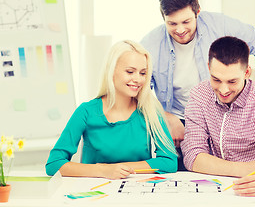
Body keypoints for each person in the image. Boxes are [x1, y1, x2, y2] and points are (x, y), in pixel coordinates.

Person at [141, 0, 255, 169]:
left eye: (186, 22)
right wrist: (164, 115)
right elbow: (138, 91)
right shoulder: (149, 45)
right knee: (186, 176)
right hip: (177, 123)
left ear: (197, 12)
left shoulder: (221, 25)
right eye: (172, 23)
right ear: (163, 19)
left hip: (221, 117)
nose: (180, 29)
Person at [180, 36, 255, 197]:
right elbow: (192, 156)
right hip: (218, 188)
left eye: (232, 81)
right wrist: (242, 168)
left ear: (247, 73)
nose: (223, 90)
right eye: (216, 79)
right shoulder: (199, 95)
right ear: (208, 68)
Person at [46, 40, 177, 178]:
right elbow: (54, 164)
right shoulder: (86, 112)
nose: (138, 79)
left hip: (136, 191)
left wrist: (121, 169)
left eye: (143, 73)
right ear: (111, 71)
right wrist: (103, 171)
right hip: (94, 193)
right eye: (130, 71)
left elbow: (169, 161)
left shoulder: (150, 110)